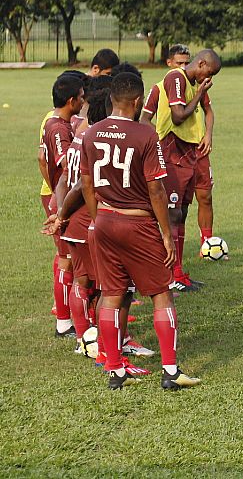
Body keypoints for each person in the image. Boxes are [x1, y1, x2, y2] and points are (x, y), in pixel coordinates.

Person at [79, 72, 201, 390]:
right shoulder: (146, 134)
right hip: (138, 223)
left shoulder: (91, 133)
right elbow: (156, 190)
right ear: (136, 101)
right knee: (161, 293)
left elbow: (87, 184)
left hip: (103, 221)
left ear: (111, 99)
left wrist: (96, 220)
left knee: (111, 295)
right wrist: (165, 233)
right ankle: (171, 372)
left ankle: (115, 369)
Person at [146, 49, 222, 292]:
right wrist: (200, 93)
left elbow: (205, 112)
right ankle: (170, 275)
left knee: (182, 213)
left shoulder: (190, 82)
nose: (206, 79)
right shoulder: (175, 78)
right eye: (207, 73)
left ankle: (178, 272)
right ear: (201, 64)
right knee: (171, 214)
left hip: (188, 154)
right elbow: (178, 116)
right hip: (171, 153)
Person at [42, 73, 87, 338]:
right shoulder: (58, 128)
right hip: (65, 202)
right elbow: (64, 165)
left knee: (68, 261)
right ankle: (63, 322)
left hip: (65, 200)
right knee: (66, 262)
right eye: (81, 97)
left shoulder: (60, 123)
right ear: (72, 100)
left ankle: (75, 317)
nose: (83, 102)